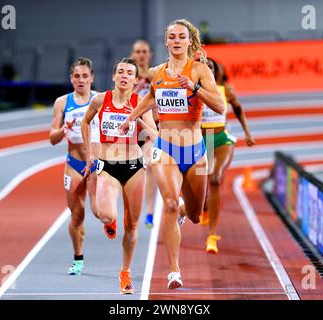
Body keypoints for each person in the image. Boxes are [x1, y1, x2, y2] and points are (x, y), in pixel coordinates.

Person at [119, 19, 225, 289]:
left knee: (194, 215)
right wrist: (130, 117)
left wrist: (194, 87)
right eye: (172, 37)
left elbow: (220, 106)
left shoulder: (200, 70)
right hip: (165, 148)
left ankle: (181, 208)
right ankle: (174, 271)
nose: (176, 41)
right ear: (166, 41)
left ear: (190, 41)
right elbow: (151, 98)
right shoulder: (158, 72)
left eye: (181, 36)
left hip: (195, 151)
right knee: (166, 202)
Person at [81, 58, 157, 294]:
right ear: (114, 77)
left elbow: (154, 133)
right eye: (120, 72)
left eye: (129, 73)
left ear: (135, 81)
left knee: (132, 226)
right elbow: (85, 121)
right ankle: (110, 219)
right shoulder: (100, 100)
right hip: (108, 166)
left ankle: (125, 272)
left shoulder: (140, 103)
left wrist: (137, 120)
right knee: (105, 215)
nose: (124, 76)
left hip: (134, 167)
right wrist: (89, 155)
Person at [49, 57, 100, 276]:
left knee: (99, 211)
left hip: (96, 162)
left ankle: (109, 220)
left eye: (85, 76)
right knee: (77, 215)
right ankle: (78, 259)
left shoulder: (99, 99)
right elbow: (52, 138)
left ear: (92, 78)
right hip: (73, 165)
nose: (81, 80)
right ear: (71, 79)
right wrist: (63, 130)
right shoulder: (62, 102)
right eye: (77, 76)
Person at [200, 57, 255, 254]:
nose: (208, 69)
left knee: (215, 180)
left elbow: (238, 108)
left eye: (211, 67)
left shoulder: (225, 91)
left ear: (216, 72)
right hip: (200, 141)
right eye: (204, 67)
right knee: (200, 193)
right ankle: (200, 209)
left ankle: (212, 236)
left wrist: (247, 132)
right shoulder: (193, 91)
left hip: (221, 140)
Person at [130, 39, 158, 228]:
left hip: (150, 127)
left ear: (150, 55)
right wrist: (137, 88)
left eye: (144, 51)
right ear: (133, 54)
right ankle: (132, 209)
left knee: (149, 167)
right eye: (138, 52)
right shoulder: (126, 74)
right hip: (131, 129)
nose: (141, 55)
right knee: (130, 172)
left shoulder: (156, 75)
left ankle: (149, 211)